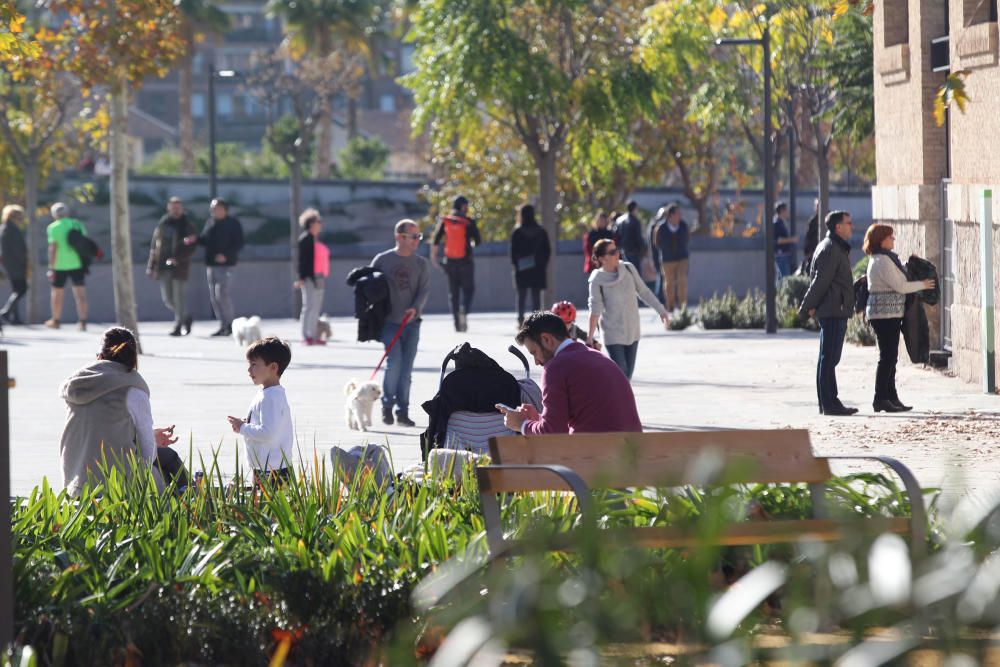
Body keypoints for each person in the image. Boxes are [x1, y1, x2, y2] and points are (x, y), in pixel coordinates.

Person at [59, 327, 181, 497]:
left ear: (99, 358)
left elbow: (98, 432)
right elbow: (148, 455)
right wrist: (150, 439)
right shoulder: (133, 390)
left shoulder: (78, 386)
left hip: (76, 485)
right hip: (117, 488)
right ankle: (187, 510)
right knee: (169, 458)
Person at [497, 311, 642, 434]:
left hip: (596, 459)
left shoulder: (555, 368)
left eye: (534, 352)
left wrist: (521, 425)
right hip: (633, 455)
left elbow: (552, 433)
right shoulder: (598, 356)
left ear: (546, 339)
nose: (536, 361)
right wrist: (538, 420)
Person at [863, 224, 935, 413]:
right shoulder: (882, 261)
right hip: (884, 315)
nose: (893, 239)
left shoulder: (886, 259)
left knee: (891, 357)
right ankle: (880, 398)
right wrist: (923, 284)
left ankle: (890, 397)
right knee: (887, 357)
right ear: (881, 239)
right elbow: (901, 286)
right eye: (890, 237)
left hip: (890, 314)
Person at [371, 219, 431, 427]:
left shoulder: (421, 263)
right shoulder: (382, 260)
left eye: (418, 236)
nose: (417, 240)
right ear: (399, 237)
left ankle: (403, 411)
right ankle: (387, 405)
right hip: (389, 323)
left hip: (412, 323)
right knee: (394, 363)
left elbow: (424, 290)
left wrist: (415, 307)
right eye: (413, 236)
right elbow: (369, 286)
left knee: (406, 371)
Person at [799, 210, 858, 416]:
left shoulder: (833, 247)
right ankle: (829, 403)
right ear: (838, 227)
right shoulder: (831, 249)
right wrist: (807, 307)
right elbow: (820, 282)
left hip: (835, 308)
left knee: (829, 358)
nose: (852, 226)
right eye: (849, 223)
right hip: (833, 310)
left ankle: (829, 402)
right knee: (829, 358)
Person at [586, 238, 669, 380]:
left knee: (627, 375)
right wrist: (589, 337)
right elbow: (595, 309)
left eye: (617, 250)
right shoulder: (597, 280)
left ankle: (619, 400)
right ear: (602, 258)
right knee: (621, 373)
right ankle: (616, 401)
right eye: (612, 252)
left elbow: (644, 292)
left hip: (632, 331)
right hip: (612, 334)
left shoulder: (628, 269)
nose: (617, 253)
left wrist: (661, 310)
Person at [227, 337, 294, 484]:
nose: (249, 370)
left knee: (269, 505)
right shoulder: (269, 393)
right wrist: (247, 423)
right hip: (268, 466)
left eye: (254, 364)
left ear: (273, 367)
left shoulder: (270, 398)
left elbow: (268, 433)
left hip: (271, 470)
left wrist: (243, 427)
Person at [147, 197, 198, 336]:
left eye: (178, 207)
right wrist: (151, 266)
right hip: (163, 266)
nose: (176, 210)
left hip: (179, 267)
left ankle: (178, 325)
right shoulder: (163, 223)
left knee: (179, 297)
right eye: (173, 207)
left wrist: (178, 258)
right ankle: (186, 316)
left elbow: (191, 246)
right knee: (168, 299)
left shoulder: (187, 224)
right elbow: (154, 245)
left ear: (182, 208)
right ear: (168, 208)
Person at [431, 195, 481, 332]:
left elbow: (436, 239)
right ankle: (464, 310)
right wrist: (470, 244)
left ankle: (457, 324)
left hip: (450, 262)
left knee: (453, 294)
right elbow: (478, 241)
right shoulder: (468, 222)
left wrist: (434, 257)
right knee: (468, 289)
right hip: (466, 261)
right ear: (464, 206)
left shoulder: (446, 221)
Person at [198, 198, 244, 337]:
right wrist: (195, 239)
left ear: (224, 209)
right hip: (211, 264)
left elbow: (239, 243)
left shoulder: (233, 223)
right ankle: (223, 325)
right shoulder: (210, 222)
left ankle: (230, 324)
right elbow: (205, 240)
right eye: (212, 208)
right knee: (214, 296)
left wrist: (226, 255)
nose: (213, 211)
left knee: (222, 293)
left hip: (227, 265)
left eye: (216, 208)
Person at [45, 202, 89, 331]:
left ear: (54, 215)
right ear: (67, 213)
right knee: (80, 294)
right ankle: (83, 322)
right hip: (77, 264)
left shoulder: (53, 227)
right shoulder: (77, 224)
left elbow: (53, 248)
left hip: (59, 265)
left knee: (57, 294)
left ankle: (56, 320)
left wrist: (51, 267)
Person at [509, 204, 551, 327]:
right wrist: (541, 264)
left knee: (521, 295)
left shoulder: (517, 232)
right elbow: (547, 250)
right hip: (537, 268)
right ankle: (535, 320)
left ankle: (520, 319)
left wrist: (516, 266)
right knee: (536, 296)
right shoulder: (541, 231)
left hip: (522, 268)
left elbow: (512, 252)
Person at [294, 208, 330, 345]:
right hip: (310, 277)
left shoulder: (315, 239)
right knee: (309, 306)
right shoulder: (305, 240)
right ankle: (306, 335)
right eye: (317, 222)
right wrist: (300, 278)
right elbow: (302, 261)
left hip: (319, 276)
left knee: (316, 307)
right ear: (310, 224)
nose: (320, 225)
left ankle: (314, 334)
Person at [654, 203, 690, 312]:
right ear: (671, 215)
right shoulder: (661, 228)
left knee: (682, 281)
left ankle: (682, 306)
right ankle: (670, 305)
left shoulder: (683, 225)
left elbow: (687, 238)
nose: (680, 216)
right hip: (667, 259)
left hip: (682, 258)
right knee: (669, 283)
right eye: (678, 214)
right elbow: (657, 243)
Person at [0, 205, 28, 324]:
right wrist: (24, 262)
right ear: (13, 217)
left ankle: (15, 318)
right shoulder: (11, 229)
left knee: (16, 289)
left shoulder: (5, 227)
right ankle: (5, 312)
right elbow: (17, 249)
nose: (22, 220)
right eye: (20, 217)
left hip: (10, 263)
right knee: (22, 288)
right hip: (14, 264)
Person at [773, 202, 799, 279]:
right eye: (786, 210)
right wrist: (792, 239)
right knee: (783, 278)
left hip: (784, 254)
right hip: (781, 255)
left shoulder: (781, 222)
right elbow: (778, 240)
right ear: (782, 211)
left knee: (783, 277)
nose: (787, 212)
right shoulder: (776, 223)